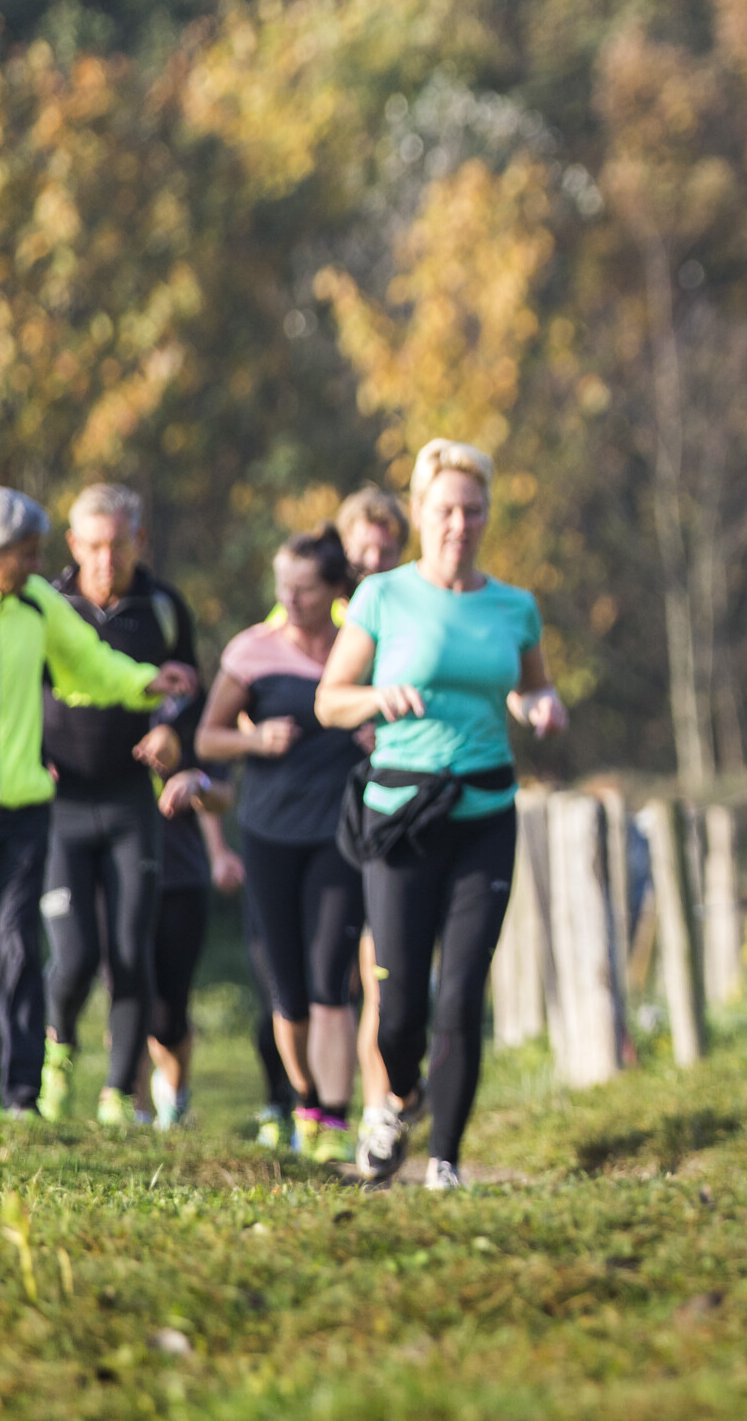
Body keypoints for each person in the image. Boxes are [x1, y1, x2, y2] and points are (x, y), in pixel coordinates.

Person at [0, 488, 197, 1117]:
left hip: (26, 802)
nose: (38, 565)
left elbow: (87, 664)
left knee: (21, 949)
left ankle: (22, 1093)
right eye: (26, 555)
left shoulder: (37, 605)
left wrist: (144, 684)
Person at [317, 439, 566, 1188]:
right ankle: (400, 1098)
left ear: (488, 515)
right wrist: (376, 697)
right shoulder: (383, 597)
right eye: (446, 509)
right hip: (400, 815)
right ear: (422, 513)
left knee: (460, 993)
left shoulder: (514, 606)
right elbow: (330, 698)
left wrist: (540, 704)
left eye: (474, 509)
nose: (460, 522)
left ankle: (446, 1162)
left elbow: (528, 687)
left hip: (485, 813)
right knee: (398, 1009)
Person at [37, 484, 203, 1125]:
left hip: (132, 804)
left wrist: (173, 732)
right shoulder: (47, 606)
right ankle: (57, 1057)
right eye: (94, 546)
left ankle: (117, 1098)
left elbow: (190, 690)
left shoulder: (162, 608)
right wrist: (30, 752)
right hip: (62, 804)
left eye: (119, 545)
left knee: (132, 951)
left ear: (139, 541)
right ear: (75, 545)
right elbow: (17, 686)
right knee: (75, 956)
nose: (107, 560)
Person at [201, 527, 367, 1160]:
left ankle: (333, 1120)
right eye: (283, 588)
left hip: (338, 837)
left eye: (304, 590)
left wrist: (374, 734)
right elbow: (209, 737)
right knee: (287, 990)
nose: (291, 600)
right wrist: (254, 740)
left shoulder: (358, 653)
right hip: (269, 835)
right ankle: (303, 1097)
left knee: (332, 980)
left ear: (332, 591)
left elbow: (379, 709)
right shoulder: (253, 652)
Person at [332, 486, 413, 1139]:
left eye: (387, 547)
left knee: (383, 970)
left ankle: (382, 1101)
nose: (374, 556)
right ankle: (331, 1105)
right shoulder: (318, 612)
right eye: (364, 545)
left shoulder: (417, 610)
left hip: (392, 805)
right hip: (326, 814)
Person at [146, 764, 243, 1127]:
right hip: (116, 871)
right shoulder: (111, 711)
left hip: (181, 873)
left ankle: (175, 1097)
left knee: (168, 1014)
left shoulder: (188, 716)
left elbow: (216, 794)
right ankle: (132, 1109)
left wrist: (218, 852)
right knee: (127, 997)